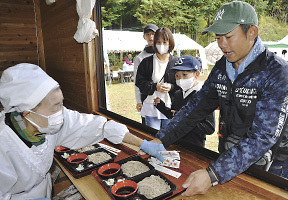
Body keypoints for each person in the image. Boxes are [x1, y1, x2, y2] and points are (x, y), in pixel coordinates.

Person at [149, 1, 288, 196]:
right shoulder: (222, 67)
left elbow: (263, 136)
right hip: (232, 151)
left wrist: (213, 173)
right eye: (218, 38)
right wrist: (161, 139)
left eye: (228, 37)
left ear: (252, 32)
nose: (222, 44)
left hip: (274, 159)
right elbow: (196, 108)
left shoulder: (277, 72)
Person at [0, 63, 165, 199]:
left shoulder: (47, 119)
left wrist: (143, 143)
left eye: (60, 104)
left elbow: (99, 126)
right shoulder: (4, 142)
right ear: (28, 114)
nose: (60, 112)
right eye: (54, 107)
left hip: (44, 190)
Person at [154, 55, 215, 147]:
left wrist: (183, 118)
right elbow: (174, 115)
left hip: (195, 144)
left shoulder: (204, 96)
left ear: (197, 74)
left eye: (185, 75)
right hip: (177, 141)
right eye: (177, 76)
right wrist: (161, 107)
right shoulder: (178, 94)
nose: (180, 79)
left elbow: (209, 128)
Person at [135, 27, 178, 130]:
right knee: (153, 137)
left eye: (165, 42)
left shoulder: (176, 62)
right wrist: (155, 86)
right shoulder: (146, 62)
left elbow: (181, 85)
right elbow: (140, 83)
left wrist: (171, 87)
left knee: (169, 139)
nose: (161, 45)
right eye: (158, 42)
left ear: (170, 43)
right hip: (151, 107)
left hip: (170, 107)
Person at [133, 23, 158, 124]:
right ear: (144, 37)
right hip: (146, 97)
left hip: (163, 97)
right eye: (148, 34)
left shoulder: (165, 54)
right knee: (148, 127)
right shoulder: (140, 58)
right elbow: (137, 81)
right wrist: (139, 100)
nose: (151, 36)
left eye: (153, 34)